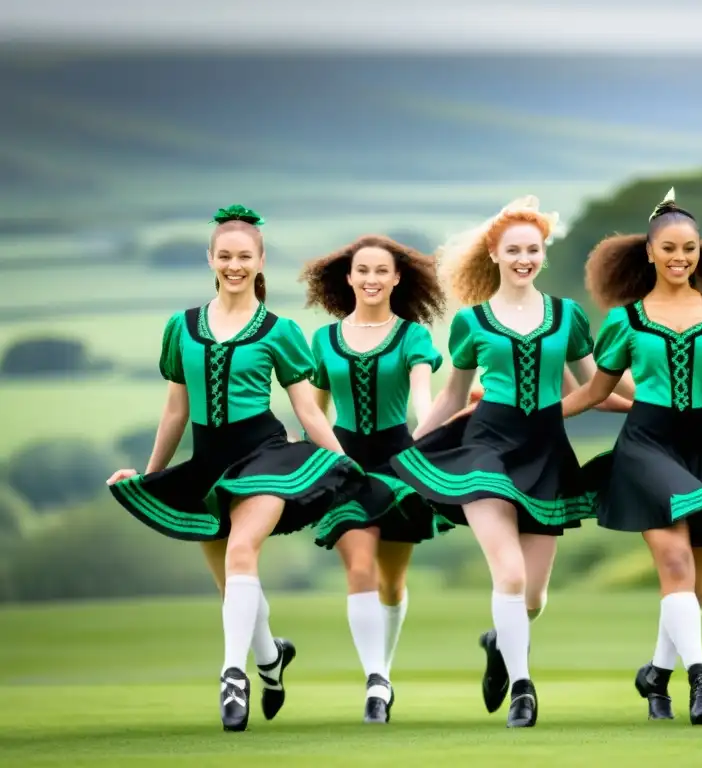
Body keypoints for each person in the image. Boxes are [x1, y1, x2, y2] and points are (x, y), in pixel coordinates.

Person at [105, 205, 365, 732]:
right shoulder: (181, 328)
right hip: (207, 465)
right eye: (225, 256)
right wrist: (153, 476)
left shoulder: (280, 330)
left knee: (243, 551)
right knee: (231, 584)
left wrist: (343, 462)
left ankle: (232, 678)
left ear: (261, 260)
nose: (234, 265)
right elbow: (176, 411)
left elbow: (307, 408)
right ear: (211, 259)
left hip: (265, 456)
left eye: (244, 256)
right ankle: (271, 659)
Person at [386, 195, 630, 728]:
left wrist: (651, 406)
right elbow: (453, 397)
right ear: (493, 254)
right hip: (485, 449)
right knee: (511, 576)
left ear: (543, 254)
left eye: (533, 249)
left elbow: (595, 385)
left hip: (546, 451)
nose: (524, 257)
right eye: (514, 249)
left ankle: (501, 644)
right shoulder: (471, 323)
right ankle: (523, 687)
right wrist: (408, 449)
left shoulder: (567, 317)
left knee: (535, 596)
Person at [561, 188, 702, 725]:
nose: (680, 257)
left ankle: (657, 674)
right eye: (669, 248)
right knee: (677, 564)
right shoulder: (626, 321)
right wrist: (535, 417)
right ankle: (701, 680)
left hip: (701, 446)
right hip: (645, 447)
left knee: (694, 584)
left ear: (698, 251)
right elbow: (596, 392)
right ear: (650, 253)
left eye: (689, 248)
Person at [299, 234, 456, 724]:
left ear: (396, 278)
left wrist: (429, 434)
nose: (370, 279)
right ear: (348, 278)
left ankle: (382, 673)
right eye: (361, 270)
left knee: (392, 582)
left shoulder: (413, 337)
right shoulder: (323, 340)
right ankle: (375, 681)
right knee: (359, 568)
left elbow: (421, 398)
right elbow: (314, 412)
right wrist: (310, 459)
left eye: (380, 271)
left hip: (398, 461)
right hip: (342, 462)